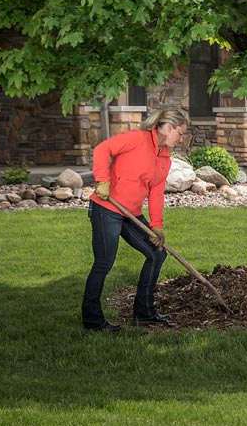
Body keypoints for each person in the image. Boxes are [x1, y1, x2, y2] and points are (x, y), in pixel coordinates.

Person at [81, 106, 189, 332]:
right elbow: (102, 149)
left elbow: (156, 193)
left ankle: (143, 313)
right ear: (168, 128)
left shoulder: (164, 158)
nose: (181, 138)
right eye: (180, 133)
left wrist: (157, 226)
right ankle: (92, 320)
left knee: (157, 254)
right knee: (104, 263)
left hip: (131, 214)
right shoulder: (136, 139)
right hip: (106, 208)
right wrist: (102, 180)